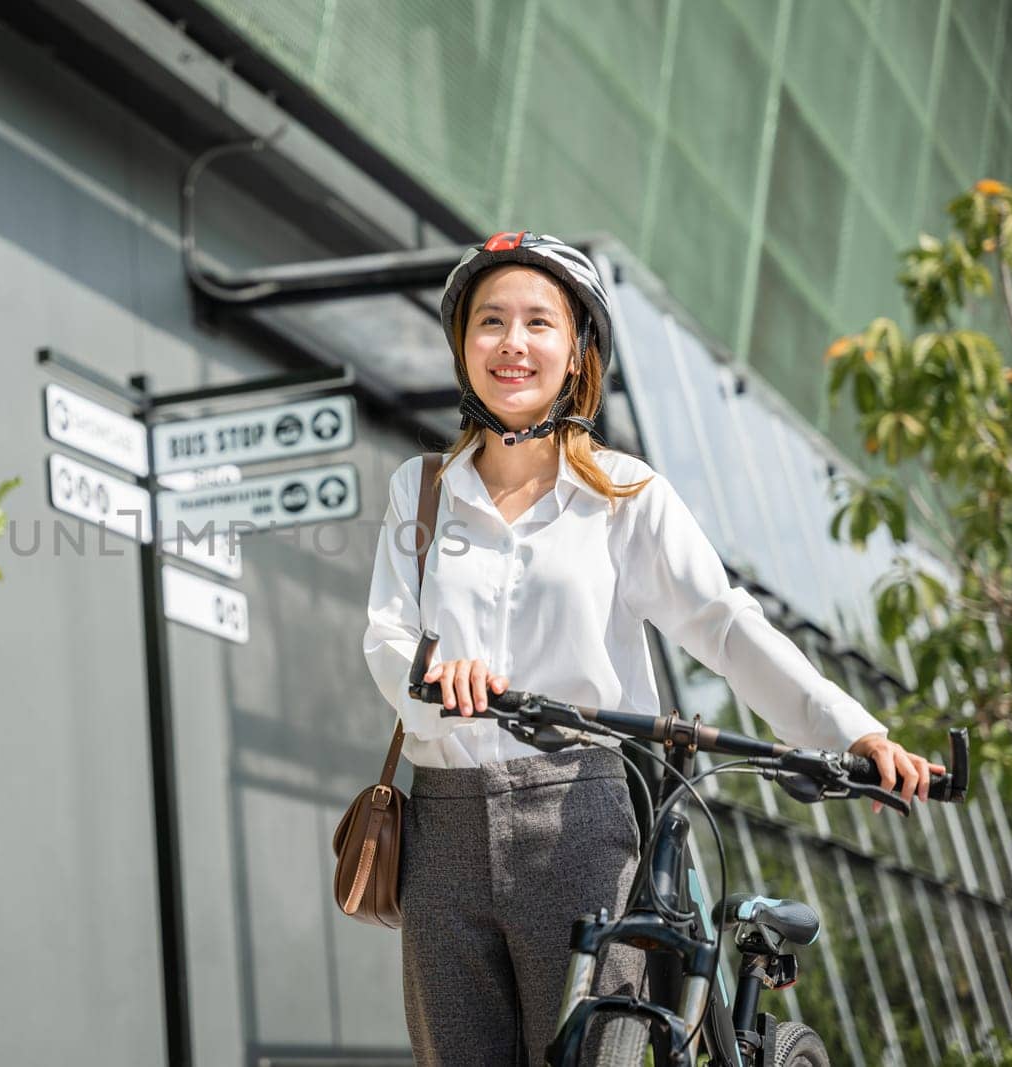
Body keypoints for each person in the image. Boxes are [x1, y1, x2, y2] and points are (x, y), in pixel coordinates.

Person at [361, 231, 943, 1066]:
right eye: (490, 322)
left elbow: (726, 624)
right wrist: (430, 676)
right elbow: (385, 634)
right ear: (463, 344)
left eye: (538, 323)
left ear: (576, 354)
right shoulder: (420, 492)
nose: (512, 344)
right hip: (442, 824)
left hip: (581, 820)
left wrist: (850, 730)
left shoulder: (623, 495)